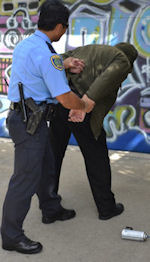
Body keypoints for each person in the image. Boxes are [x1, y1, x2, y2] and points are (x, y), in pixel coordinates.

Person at [0, 0, 94, 255]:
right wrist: (84, 106)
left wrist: (64, 64)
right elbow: (64, 97)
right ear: (61, 27)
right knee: (25, 179)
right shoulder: (48, 53)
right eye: (65, 27)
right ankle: (11, 235)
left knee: (47, 166)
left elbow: (37, 67)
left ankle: (51, 209)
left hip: (29, 119)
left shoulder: (28, 44)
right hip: (30, 122)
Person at [47, 42, 138, 222]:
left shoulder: (90, 51)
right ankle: (106, 207)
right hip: (79, 106)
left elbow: (57, 61)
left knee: (53, 154)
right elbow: (100, 97)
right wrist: (91, 119)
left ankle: (49, 206)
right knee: (97, 157)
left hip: (61, 100)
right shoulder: (121, 62)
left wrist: (67, 69)